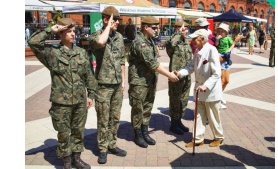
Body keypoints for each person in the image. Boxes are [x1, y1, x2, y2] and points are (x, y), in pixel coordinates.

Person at [27, 18, 97, 169]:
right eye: (69, 31)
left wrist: (91, 94)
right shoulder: (52, 53)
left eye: (73, 31)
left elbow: (89, 75)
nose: (73, 34)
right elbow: (33, 42)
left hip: (79, 101)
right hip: (61, 103)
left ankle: (76, 159)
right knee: (64, 133)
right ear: (60, 33)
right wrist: (51, 29)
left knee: (78, 131)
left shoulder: (82, 53)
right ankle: (66, 161)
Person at [128, 16, 179, 148]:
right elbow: (152, 63)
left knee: (147, 107)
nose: (157, 30)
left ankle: (144, 132)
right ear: (146, 27)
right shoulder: (140, 42)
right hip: (139, 82)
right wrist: (169, 75)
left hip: (149, 81)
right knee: (138, 109)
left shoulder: (149, 40)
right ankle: (137, 134)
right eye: (154, 28)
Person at [89, 6, 127, 164]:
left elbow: (122, 60)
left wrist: (123, 80)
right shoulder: (95, 36)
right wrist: (107, 27)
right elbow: (100, 42)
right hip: (103, 85)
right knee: (103, 119)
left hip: (118, 84)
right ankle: (103, 148)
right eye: (115, 19)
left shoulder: (118, 37)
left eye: (118, 19)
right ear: (106, 19)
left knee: (115, 117)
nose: (118, 22)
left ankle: (112, 144)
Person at [174, 29, 224, 148]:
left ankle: (218, 137)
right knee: (199, 116)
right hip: (199, 89)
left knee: (213, 116)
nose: (192, 41)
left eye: (195, 39)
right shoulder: (197, 50)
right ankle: (198, 139)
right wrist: (180, 73)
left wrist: (206, 85)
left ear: (202, 39)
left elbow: (217, 73)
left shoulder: (212, 50)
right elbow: (191, 67)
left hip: (210, 91)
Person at [166, 21, 193, 135]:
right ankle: (173, 123)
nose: (185, 31)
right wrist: (178, 34)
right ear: (177, 29)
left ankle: (179, 121)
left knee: (183, 100)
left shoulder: (186, 43)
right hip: (176, 76)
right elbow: (170, 45)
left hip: (186, 76)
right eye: (183, 29)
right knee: (175, 100)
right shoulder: (173, 43)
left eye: (186, 29)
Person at [215, 22, 235, 109]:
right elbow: (216, 45)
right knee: (222, 81)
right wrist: (217, 39)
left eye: (222, 31)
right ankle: (218, 98)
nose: (220, 33)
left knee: (226, 81)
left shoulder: (228, 39)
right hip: (220, 58)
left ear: (226, 32)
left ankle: (220, 95)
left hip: (226, 59)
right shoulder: (218, 38)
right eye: (219, 31)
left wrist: (229, 50)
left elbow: (233, 44)